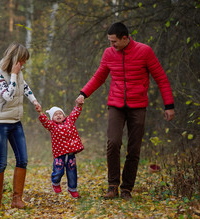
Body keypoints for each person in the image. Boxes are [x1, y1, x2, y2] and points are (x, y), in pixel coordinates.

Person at [75, 22, 175, 200]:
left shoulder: (144, 51)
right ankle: (112, 185)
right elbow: (99, 76)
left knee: (134, 149)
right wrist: (84, 93)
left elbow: (161, 78)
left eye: (114, 42)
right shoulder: (109, 54)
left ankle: (127, 188)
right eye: (109, 41)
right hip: (116, 104)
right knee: (113, 142)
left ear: (125, 38)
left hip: (138, 106)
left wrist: (169, 105)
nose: (111, 45)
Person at [0, 42, 41, 209]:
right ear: (15, 59)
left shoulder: (19, 73)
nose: (23, 64)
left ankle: (17, 199)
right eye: (22, 60)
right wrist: (13, 75)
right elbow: (8, 96)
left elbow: (24, 87)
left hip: (15, 122)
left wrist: (34, 101)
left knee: (23, 160)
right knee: (2, 162)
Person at [37, 103, 84, 198]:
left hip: (70, 154)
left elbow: (75, 113)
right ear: (52, 118)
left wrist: (78, 106)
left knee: (72, 172)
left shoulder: (70, 121)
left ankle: (72, 189)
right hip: (59, 155)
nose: (58, 115)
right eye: (55, 114)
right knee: (58, 171)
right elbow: (45, 122)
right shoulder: (52, 126)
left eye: (60, 113)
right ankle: (55, 182)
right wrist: (40, 113)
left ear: (64, 115)